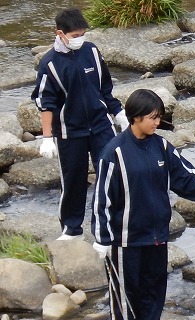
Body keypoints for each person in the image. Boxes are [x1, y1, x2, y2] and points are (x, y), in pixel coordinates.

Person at [92, 89, 195, 320]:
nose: (157, 123)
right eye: (152, 118)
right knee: (127, 295)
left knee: (154, 290)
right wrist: (102, 237)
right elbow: (102, 199)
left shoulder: (162, 147)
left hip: (155, 236)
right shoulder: (113, 152)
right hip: (124, 239)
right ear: (136, 118)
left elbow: (187, 177)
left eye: (158, 118)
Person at [32, 7, 128, 241]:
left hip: (100, 125)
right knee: (73, 179)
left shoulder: (92, 52)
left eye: (82, 34)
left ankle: (114, 222)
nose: (80, 39)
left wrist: (120, 115)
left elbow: (105, 88)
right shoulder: (50, 63)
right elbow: (46, 103)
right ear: (60, 34)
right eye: (75, 36)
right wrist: (46, 138)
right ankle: (72, 229)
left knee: (111, 173)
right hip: (69, 131)